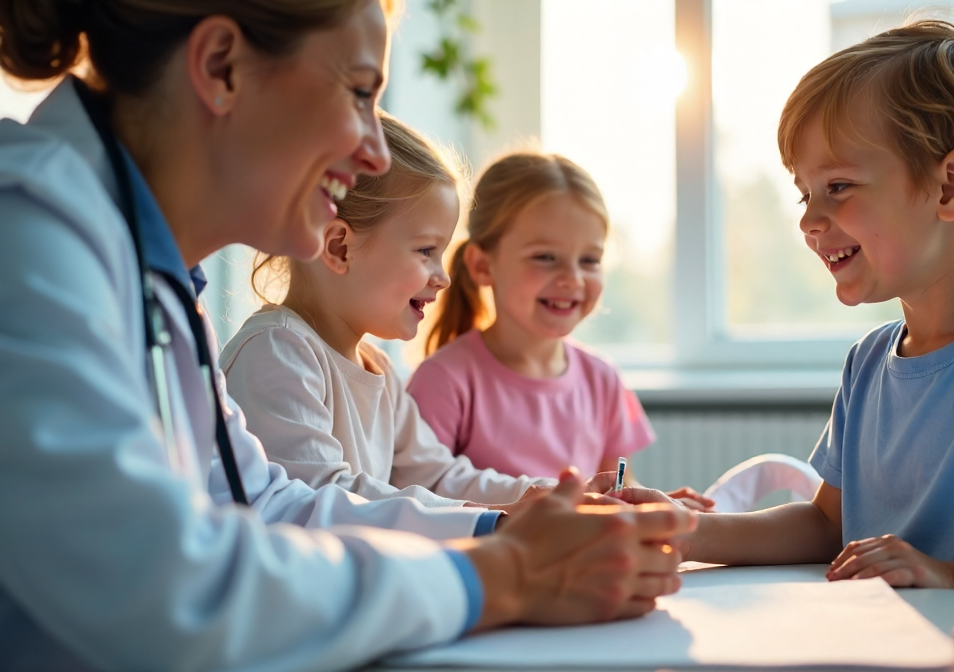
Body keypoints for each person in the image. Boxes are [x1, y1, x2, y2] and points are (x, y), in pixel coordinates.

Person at [0, 2, 694, 670]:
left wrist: (506, 529)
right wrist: (502, 576)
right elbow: (169, 593)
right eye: (360, 93)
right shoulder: (27, 242)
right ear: (220, 67)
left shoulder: (154, 276)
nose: (373, 150)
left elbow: (268, 505)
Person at [621, 20, 954, 601]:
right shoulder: (868, 362)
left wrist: (946, 574)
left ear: (951, 187)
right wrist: (686, 530)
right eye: (805, 193)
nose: (808, 219)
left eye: (839, 186)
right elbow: (826, 525)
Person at [220, 111, 560, 512]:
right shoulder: (276, 352)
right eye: (426, 251)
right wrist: (491, 519)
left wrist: (553, 496)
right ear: (339, 248)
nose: (443, 278)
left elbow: (439, 476)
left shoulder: (377, 368)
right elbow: (323, 499)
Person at [408, 151, 712, 509]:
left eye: (590, 260)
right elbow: (421, 501)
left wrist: (653, 505)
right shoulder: (443, 381)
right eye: (545, 257)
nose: (572, 278)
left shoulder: (603, 379)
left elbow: (618, 486)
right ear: (482, 265)